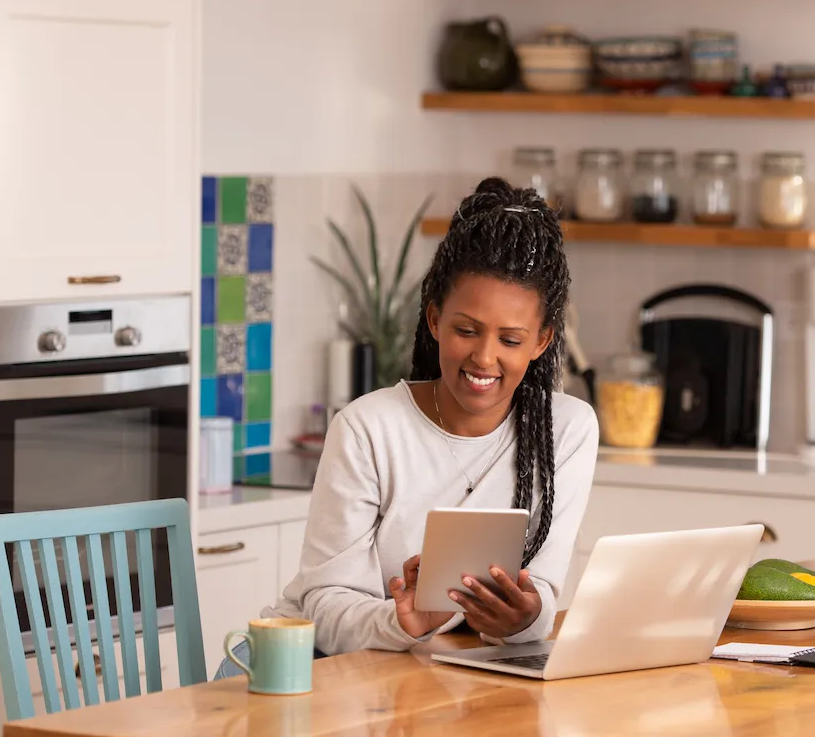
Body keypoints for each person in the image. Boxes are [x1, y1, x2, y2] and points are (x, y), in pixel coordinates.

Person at [215, 178, 599, 677]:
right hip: (300, 668)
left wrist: (522, 617)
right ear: (435, 320)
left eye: (510, 338)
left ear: (543, 341)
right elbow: (323, 606)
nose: (484, 356)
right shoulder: (367, 428)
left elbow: (541, 594)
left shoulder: (564, 429)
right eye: (466, 330)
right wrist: (404, 621)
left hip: (425, 674)